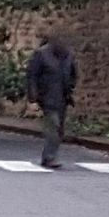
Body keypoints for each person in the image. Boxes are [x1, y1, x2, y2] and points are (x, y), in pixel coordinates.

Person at [26, 34, 77, 169]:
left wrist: (70, 88)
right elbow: (32, 77)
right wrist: (33, 99)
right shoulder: (41, 55)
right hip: (46, 98)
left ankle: (50, 155)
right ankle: (49, 158)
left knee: (59, 129)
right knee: (53, 127)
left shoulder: (68, 55)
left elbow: (73, 74)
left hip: (62, 98)